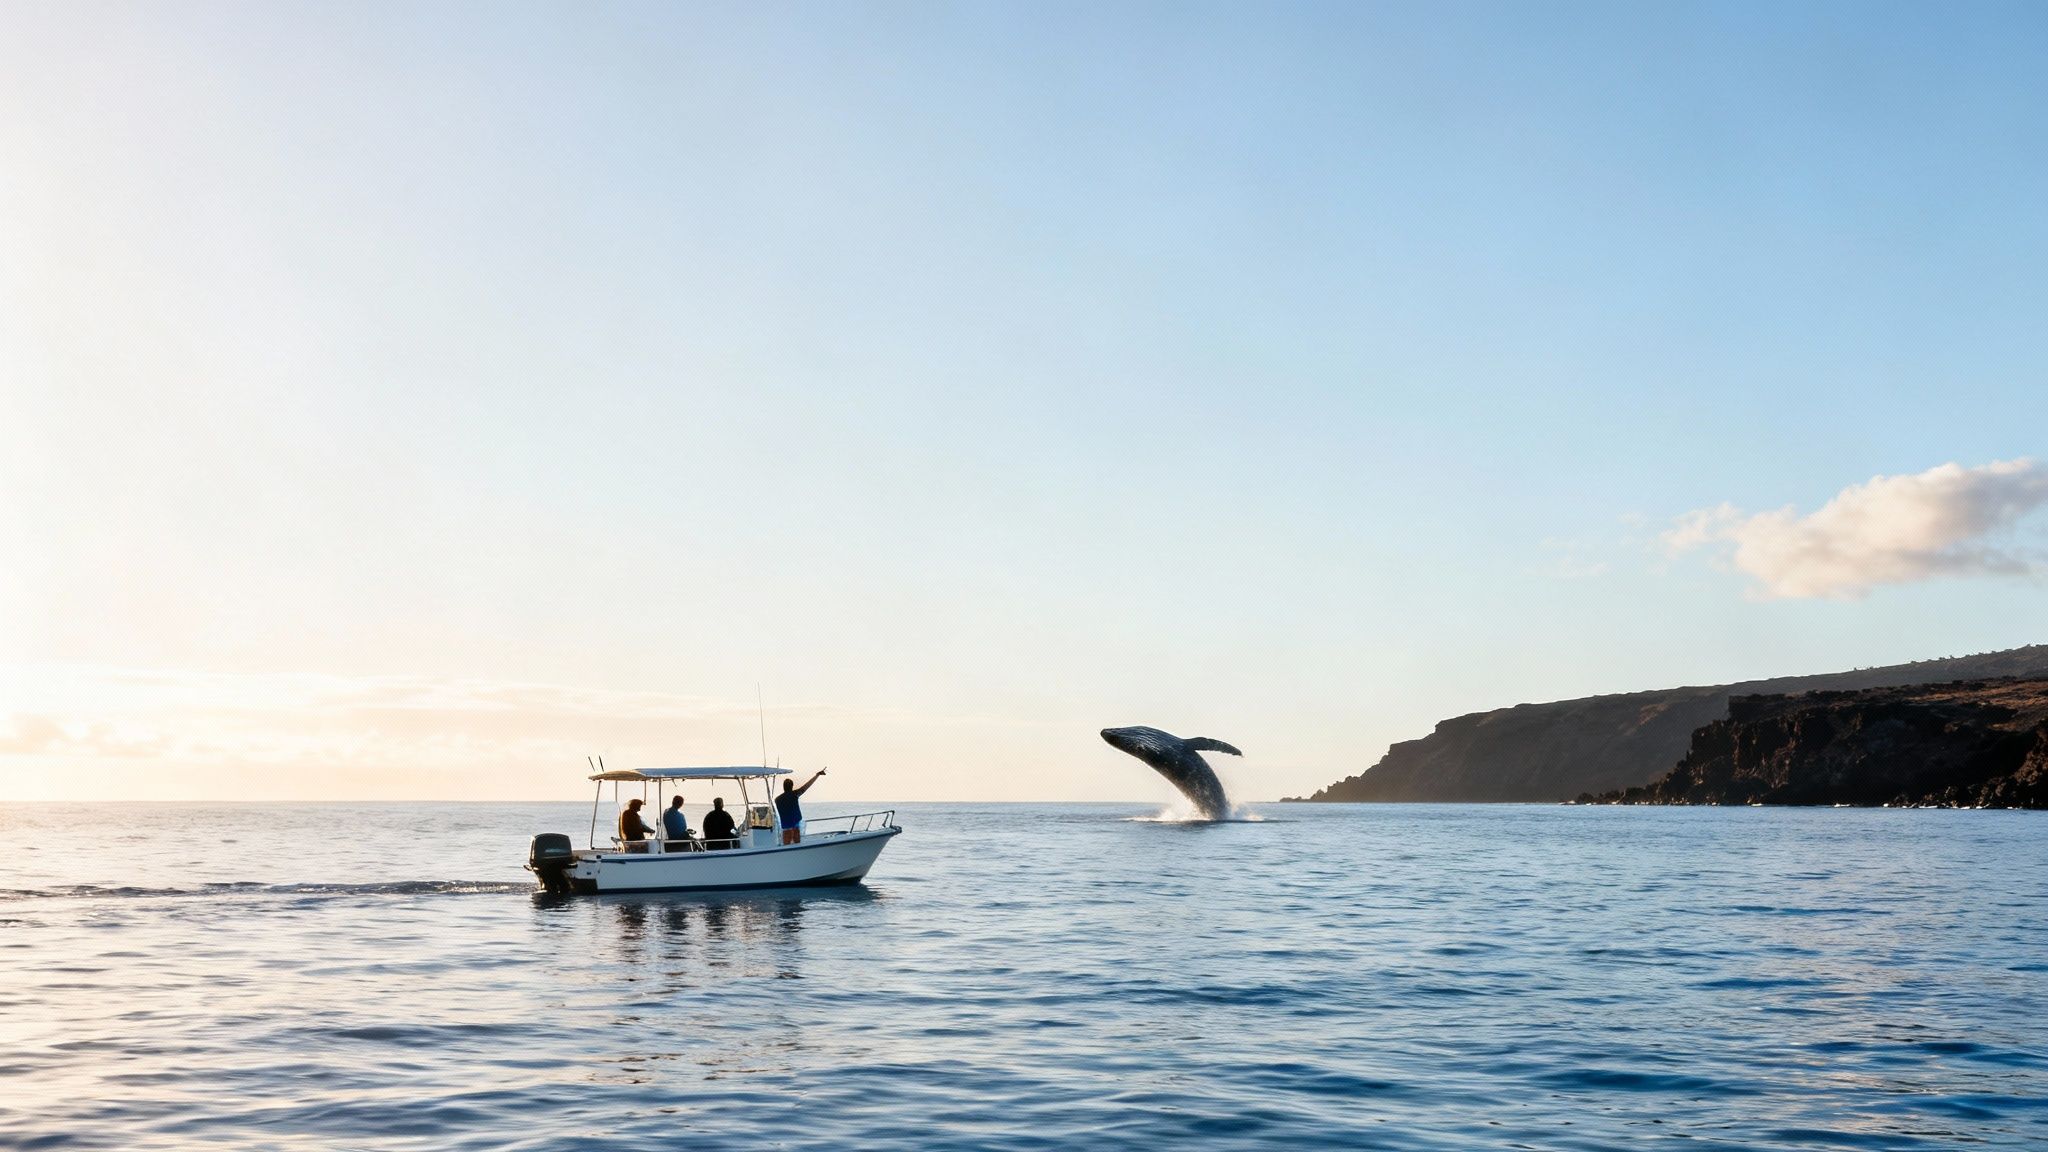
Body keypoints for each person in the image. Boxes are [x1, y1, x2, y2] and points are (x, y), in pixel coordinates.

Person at [775, 768, 826, 844]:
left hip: (785, 827)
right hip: (795, 825)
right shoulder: (795, 794)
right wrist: (817, 775)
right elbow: (807, 785)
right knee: (797, 844)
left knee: (786, 846)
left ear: (783, 787)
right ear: (792, 786)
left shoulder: (777, 800)